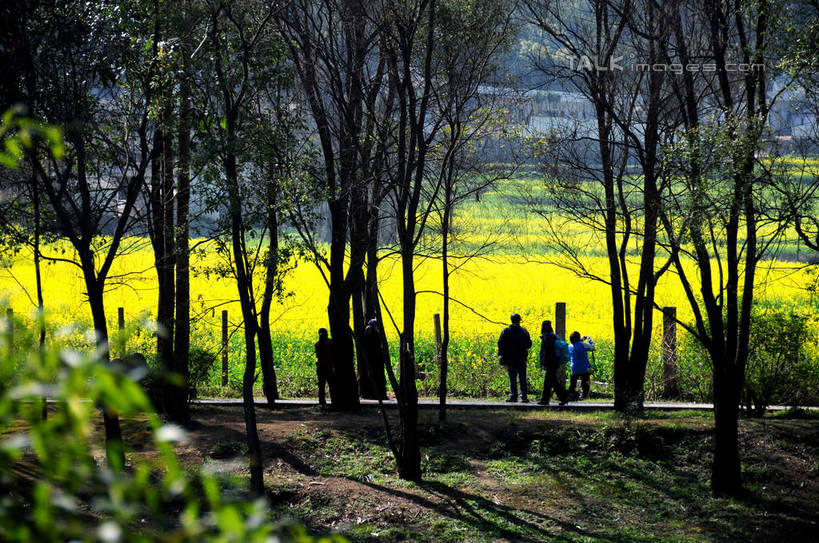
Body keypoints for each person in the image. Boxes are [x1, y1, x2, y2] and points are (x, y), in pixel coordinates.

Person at [497, 313, 532, 403]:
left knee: (512, 378)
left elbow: (501, 343)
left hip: (510, 358)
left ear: (511, 320)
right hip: (521, 358)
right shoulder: (524, 331)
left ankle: (513, 396)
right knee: (522, 378)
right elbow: (529, 344)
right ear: (519, 320)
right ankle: (524, 397)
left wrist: (501, 355)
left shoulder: (506, 331)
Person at [538, 320, 567, 406]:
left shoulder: (547, 337)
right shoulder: (553, 336)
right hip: (555, 362)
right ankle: (561, 398)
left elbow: (546, 352)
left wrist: (544, 364)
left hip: (550, 362)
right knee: (552, 381)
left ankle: (547, 399)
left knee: (549, 382)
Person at [360, 318, 387, 400]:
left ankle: (370, 393)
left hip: (368, 359)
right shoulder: (375, 334)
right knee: (377, 376)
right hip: (376, 359)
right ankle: (377, 394)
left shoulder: (365, 333)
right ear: (374, 326)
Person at [568, 331, 595, 400]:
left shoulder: (570, 346)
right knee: (585, 381)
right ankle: (583, 395)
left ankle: (571, 394)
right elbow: (592, 347)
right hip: (583, 367)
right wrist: (589, 339)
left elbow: (576, 344)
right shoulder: (583, 345)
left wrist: (582, 339)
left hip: (574, 368)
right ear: (578, 338)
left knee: (573, 382)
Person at [314, 328, 334, 406]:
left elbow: (317, 355)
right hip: (329, 367)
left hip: (320, 367)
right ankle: (334, 401)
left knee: (321, 386)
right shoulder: (330, 343)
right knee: (332, 385)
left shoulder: (317, 344)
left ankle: (322, 402)